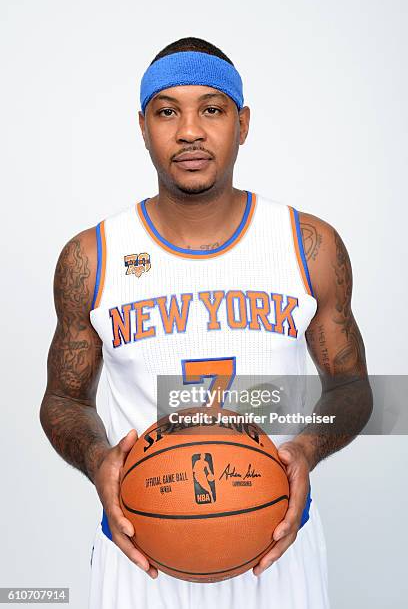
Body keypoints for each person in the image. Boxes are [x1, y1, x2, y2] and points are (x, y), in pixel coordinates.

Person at [40, 36, 372, 609]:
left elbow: (353, 387)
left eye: (211, 110)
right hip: (140, 551)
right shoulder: (90, 257)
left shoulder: (308, 245)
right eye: (167, 111)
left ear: (242, 124)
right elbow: (62, 399)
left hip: (276, 542)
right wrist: (100, 460)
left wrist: (308, 449)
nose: (189, 130)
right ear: (143, 126)